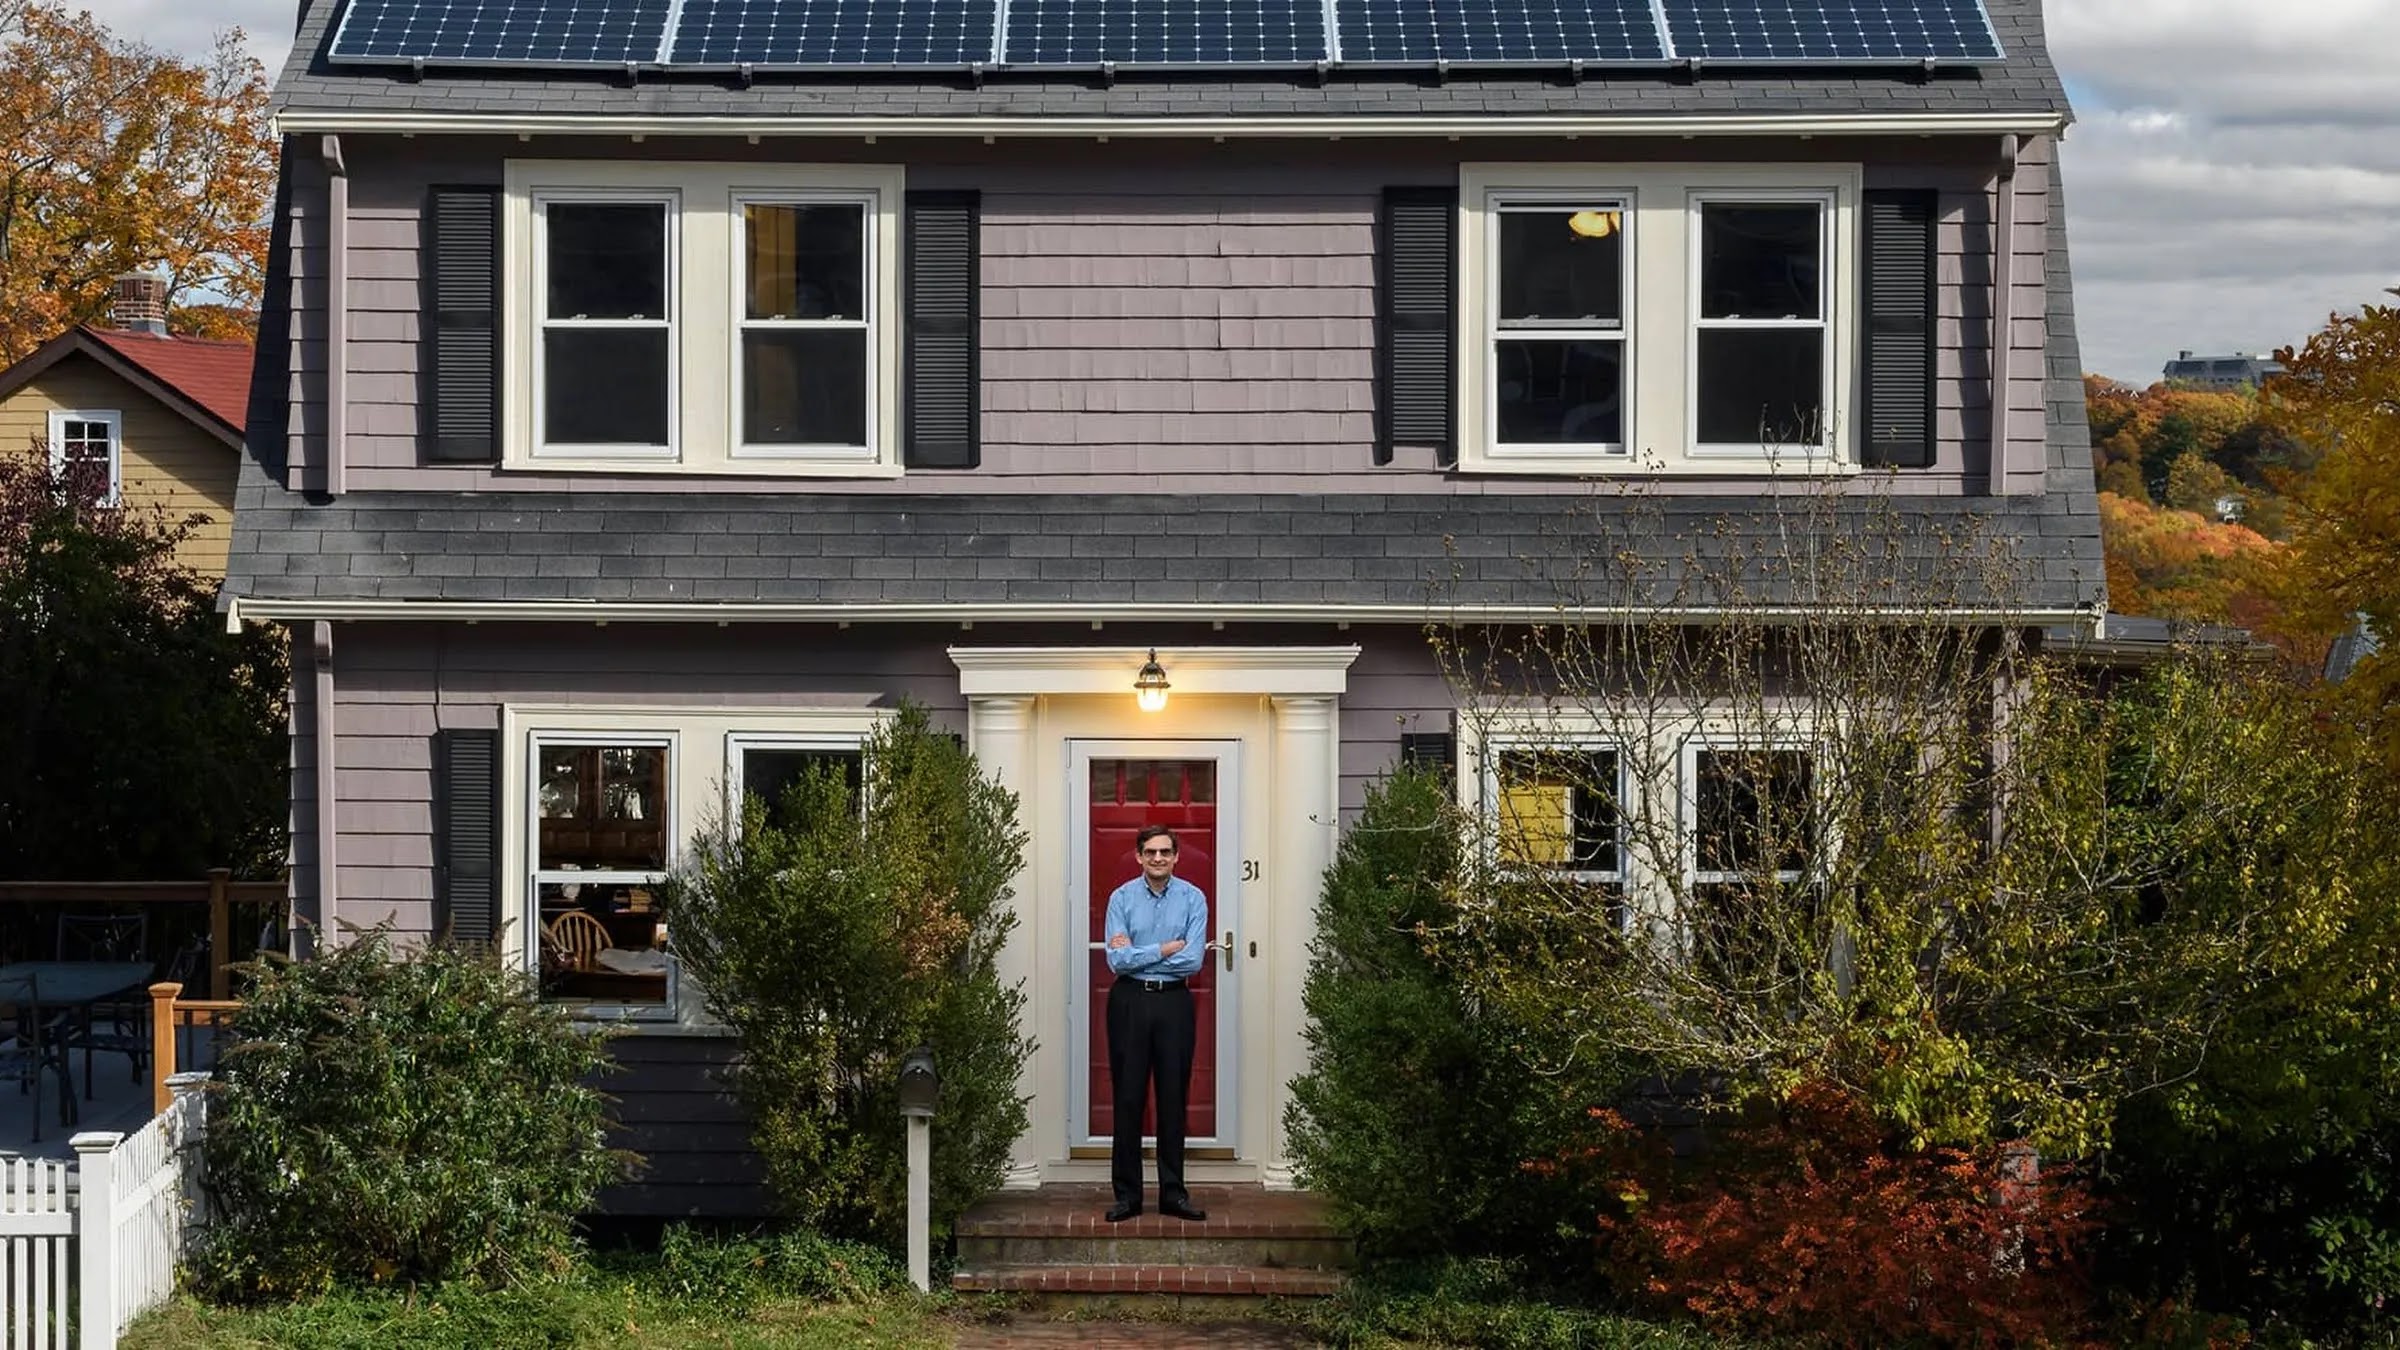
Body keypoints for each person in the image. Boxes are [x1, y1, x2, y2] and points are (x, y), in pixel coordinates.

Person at [1102, 824, 1210, 1222]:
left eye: (1165, 852)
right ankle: (1128, 1196)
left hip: (1174, 1004)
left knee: (1172, 1099)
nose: (1159, 858)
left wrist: (1138, 951)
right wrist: (1165, 948)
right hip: (1129, 1000)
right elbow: (1117, 961)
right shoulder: (1122, 898)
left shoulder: (1193, 899)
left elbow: (1193, 959)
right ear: (1139, 856)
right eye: (1151, 852)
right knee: (1128, 1098)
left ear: (1176, 856)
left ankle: (1173, 1194)